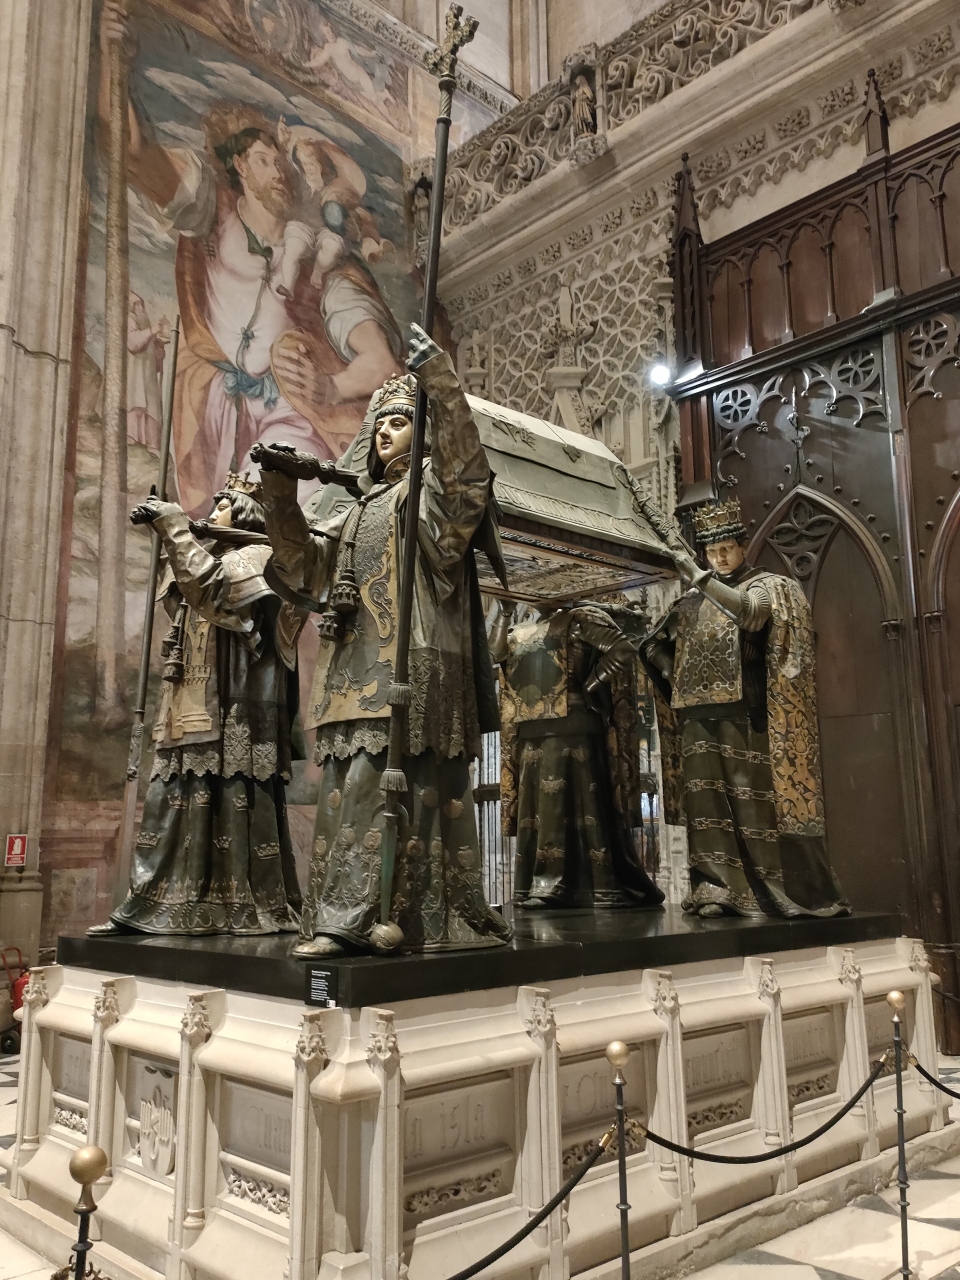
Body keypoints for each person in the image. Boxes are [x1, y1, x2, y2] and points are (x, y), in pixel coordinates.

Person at [252, 324, 512, 957]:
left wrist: (440, 383)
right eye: (381, 424)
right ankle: (348, 914)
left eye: (401, 422)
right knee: (345, 795)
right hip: (353, 670)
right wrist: (281, 496)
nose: (385, 433)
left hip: (411, 665)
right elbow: (303, 573)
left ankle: (369, 919)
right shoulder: (356, 509)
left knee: (390, 790)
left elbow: (465, 484)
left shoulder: (426, 498)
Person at [98, 1, 403, 517]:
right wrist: (117, 59)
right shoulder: (209, 210)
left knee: (281, 508)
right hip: (216, 415)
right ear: (239, 165)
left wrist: (331, 386)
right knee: (221, 538)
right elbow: (131, 152)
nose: (280, 171)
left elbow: (384, 364)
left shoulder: (320, 264)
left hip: (289, 412)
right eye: (265, 159)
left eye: (283, 161)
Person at [89, 474, 304, 935]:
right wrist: (171, 540)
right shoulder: (216, 556)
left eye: (224, 504)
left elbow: (214, 592)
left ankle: (235, 903)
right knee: (172, 797)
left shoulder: (261, 558)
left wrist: (175, 526)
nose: (214, 509)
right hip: (191, 701)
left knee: (232, 794)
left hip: (235, 703)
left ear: (246, 513)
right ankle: (156, 900)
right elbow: (186, 594)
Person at [640, 498, 849, 920]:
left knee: (750, 802)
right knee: (706, 806)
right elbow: (652, 645)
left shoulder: (767, 585)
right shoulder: (691, 600)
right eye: (711, 552)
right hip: (697, 714)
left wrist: (698, 576)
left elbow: (750, 615)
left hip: (745, 710)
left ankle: (767, 891)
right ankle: (716, 888)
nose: (719, 558)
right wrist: (676, 676)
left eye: (726, 550)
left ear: (742, 548)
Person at [490, 600, 664, 911]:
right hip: (530, 728)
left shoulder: (581, 619)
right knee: (538, 807)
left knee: (567, 803)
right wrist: (504, 612)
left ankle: (560, 885)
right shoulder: (520, 628)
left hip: (573, 726)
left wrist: (591, 684)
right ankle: (539, 882)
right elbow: (495, 653)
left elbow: (622, 650)